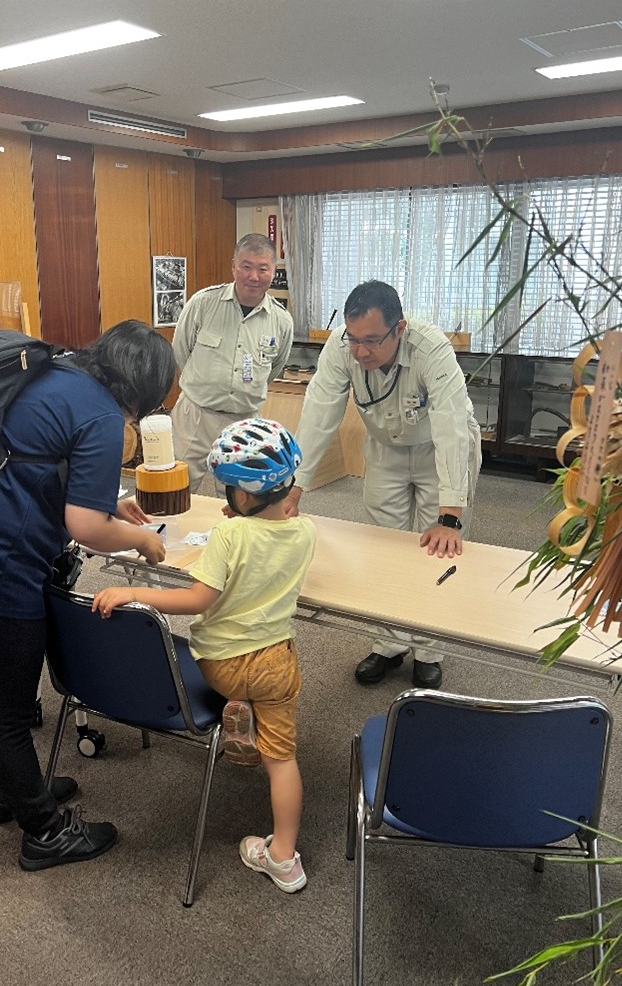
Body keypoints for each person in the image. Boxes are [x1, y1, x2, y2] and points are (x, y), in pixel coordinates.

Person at [0, 321, 176, 871]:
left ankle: (13, 789)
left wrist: (108, 501)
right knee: (5, 711)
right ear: (144, 392)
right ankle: (44, 830)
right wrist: (140, 538)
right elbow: (85, 527)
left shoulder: (53, 372)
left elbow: (37, 461)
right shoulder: (103, 413)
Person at [92, 418, 317, 893]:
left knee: (234, 687)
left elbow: (197, 600)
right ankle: (283, 860)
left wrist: (133, 591)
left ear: (244, 496)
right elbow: (277, 532)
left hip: (224, 667)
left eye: (229, 488)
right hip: (278, 663)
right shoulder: (306, 533)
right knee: (282, 760)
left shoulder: (230, 537)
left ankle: (236, 711)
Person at [285, 281, 481, 689]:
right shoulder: (342, 348)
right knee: (382, 546)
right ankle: (388, 644)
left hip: (438, 452)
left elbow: (449, 428)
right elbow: (320, 411)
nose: (360, 351)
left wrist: (450, 513)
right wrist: (295, 484)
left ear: (400, 329)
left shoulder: (432, 350)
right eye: (354, 339)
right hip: (386, 449)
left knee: (435, 549)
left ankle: (428, 651)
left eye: (372, 341)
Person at [171, 233, 294, 492]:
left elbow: (275, 368)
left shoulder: (282, 320)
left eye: (263, 269)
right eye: (246, 267)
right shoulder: (204, 303)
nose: (254, 276)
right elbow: (181, 350)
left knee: (238, 495)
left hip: (244, 421)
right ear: (233, 266)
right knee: (176, 487)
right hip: (196, 413)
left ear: (274, 271)